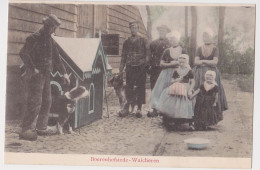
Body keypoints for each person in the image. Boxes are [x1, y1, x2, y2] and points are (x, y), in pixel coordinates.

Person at [19, 14, 70, 141]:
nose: (55, 30)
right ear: (48, 26)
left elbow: (57, 58)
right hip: (36, 75)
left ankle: (41, 128)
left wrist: (64, 73)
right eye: (54, 27)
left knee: (47, 100)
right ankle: (25, 130)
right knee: (35, 102)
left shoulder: (50, 39)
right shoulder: (34, 38)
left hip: (46, 74)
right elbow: (23, 53)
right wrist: (33, 68)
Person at [193, 31, 228, 122]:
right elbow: (196, 62)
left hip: (212, 73)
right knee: (198, 90)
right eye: (204, 36)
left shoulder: (215, 49)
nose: (206, 38)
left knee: (212, 93)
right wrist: (207, 62)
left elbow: (214, 62)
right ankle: (196, 116)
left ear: (211, 37)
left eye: (208, 36)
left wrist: (203, 61)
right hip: (199, 73)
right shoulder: (199, 48)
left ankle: (211, 118)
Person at [118, 20, 149, 118]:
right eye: (132, 28)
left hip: (141, 68)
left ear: (138, 28)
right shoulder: (127, 41)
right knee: (129, 87)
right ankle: (127, 107)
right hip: (130, 67)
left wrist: (144, 64)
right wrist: (121, 69)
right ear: (129, 29)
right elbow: (123, 55)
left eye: (135, 27)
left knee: (140, 87)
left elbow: (148, 55)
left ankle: (139, 109)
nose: (134, 29)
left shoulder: (143, 40)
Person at [157, 54, 195, 131]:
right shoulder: (176, 70)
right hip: (177, 87)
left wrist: (190, 90)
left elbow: (193, 81)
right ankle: (174, 121)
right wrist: (177, 80)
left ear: (186, 62)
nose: (181, 64)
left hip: (185, 87)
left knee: (187, 102)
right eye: (180, 62)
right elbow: (172, 80)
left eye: (183, 62)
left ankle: (188, 122)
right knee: (171, 99)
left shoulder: (189, 70)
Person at [149, 35, 182, 117]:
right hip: (166, 73)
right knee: (160, 90)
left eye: (174, 39)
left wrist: (177, 64)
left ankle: (176, 110)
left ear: (178, 40)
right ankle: (157, 109)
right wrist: (170, 64)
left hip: (179, 73)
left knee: (177, 90)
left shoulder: (182, 50)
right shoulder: (167, 51)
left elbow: (185, 62)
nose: (173, 41)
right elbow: (161, 63)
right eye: (171, 40)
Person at [147, 25, 171, 117]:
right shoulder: (153, 43)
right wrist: (148, 66)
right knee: (154, 88)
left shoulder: (169, 43)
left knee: (165, 88)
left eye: (164, 31)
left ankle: (164, 109)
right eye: (160, 31)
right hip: (155, 68)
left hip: (165, 68)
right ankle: (154, 108)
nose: (162, 33)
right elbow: (149, 56)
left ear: (166, 32)